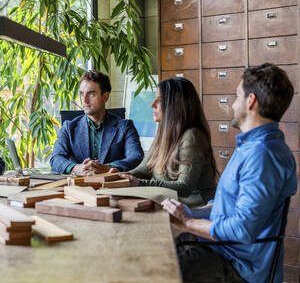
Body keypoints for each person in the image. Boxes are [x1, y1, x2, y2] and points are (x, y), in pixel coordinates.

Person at [162, 63, 297, 283]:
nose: (233, 105)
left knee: (158, 265)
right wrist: (189, 214)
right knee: (163, 245)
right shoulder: (252, 146)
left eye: (237, 97)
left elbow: (241, 229)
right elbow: (227, 208)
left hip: (240, 266)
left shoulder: (262, 155)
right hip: (226, 252)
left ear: (251, 101)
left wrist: (188, 222)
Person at [119, 77, 217, 207]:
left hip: (197, 209)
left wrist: (139, 183)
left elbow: (184, 187)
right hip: (172, 205)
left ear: (175, 105)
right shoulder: (163, 133)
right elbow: (144, 169)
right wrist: (120, 176)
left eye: (159, 101)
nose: (152, 104)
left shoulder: (192, 136)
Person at [50, 70, 144, 175]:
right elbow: (56, 158)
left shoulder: (125, 127)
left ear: (105, 97)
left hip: (113, 187)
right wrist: (76, 168)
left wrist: (108, 168)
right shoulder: (68, 127)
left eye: (91, 94)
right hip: (78, 187)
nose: (84, 100)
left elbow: (136, 156)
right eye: (81, 94)